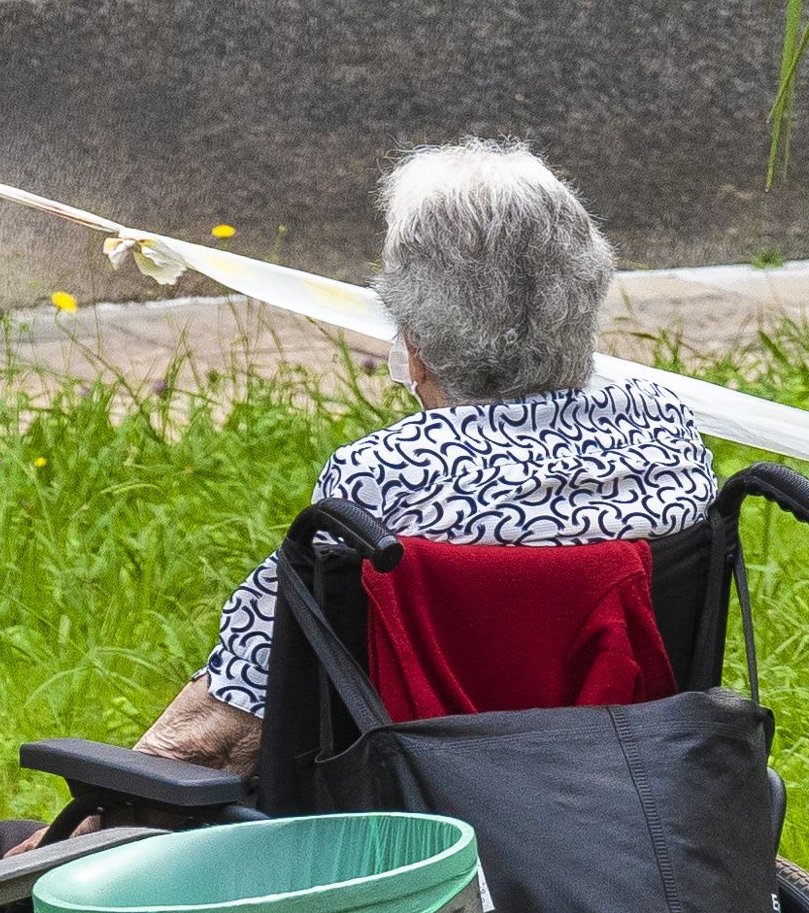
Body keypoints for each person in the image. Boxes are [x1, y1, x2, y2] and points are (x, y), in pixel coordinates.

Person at [133, 140, 717, 770]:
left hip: (421, 811)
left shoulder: (384, 478)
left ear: (414, 340)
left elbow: (231, 715)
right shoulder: (666, 432)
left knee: (10, 836)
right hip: (629, 782)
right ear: (585, 301)